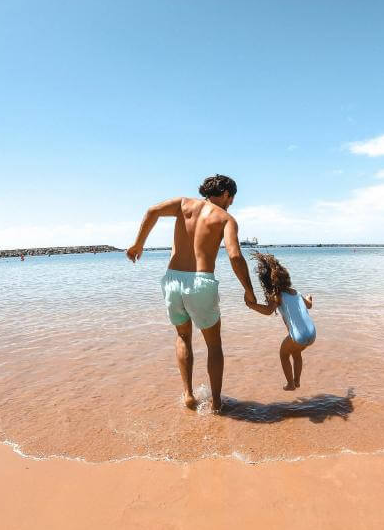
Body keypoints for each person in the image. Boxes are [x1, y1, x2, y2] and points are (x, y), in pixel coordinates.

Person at [126, 174, 256, 413]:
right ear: (227, 194)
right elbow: (235, 256)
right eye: (232, 198)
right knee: (213, 345)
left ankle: (188, 395)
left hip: (172, 279)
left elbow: (152, 211)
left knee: (183, 337)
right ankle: (217, 403)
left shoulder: (183, 204)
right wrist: (249, 291)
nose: (231, 203)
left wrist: (138, 244)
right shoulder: (226, 218)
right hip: (201, 282)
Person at [245, 252, 315, 391]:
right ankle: (297, 381)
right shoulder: (295, 292)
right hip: (312, 334)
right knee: (296, 353)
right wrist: (310, 297)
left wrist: (251, 305)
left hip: (299, 336)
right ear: (286, 277)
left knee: (283, 354)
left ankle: (290, 384)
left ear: (268, 283)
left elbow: (268, 311)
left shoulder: (277, 296)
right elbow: (309, 305)